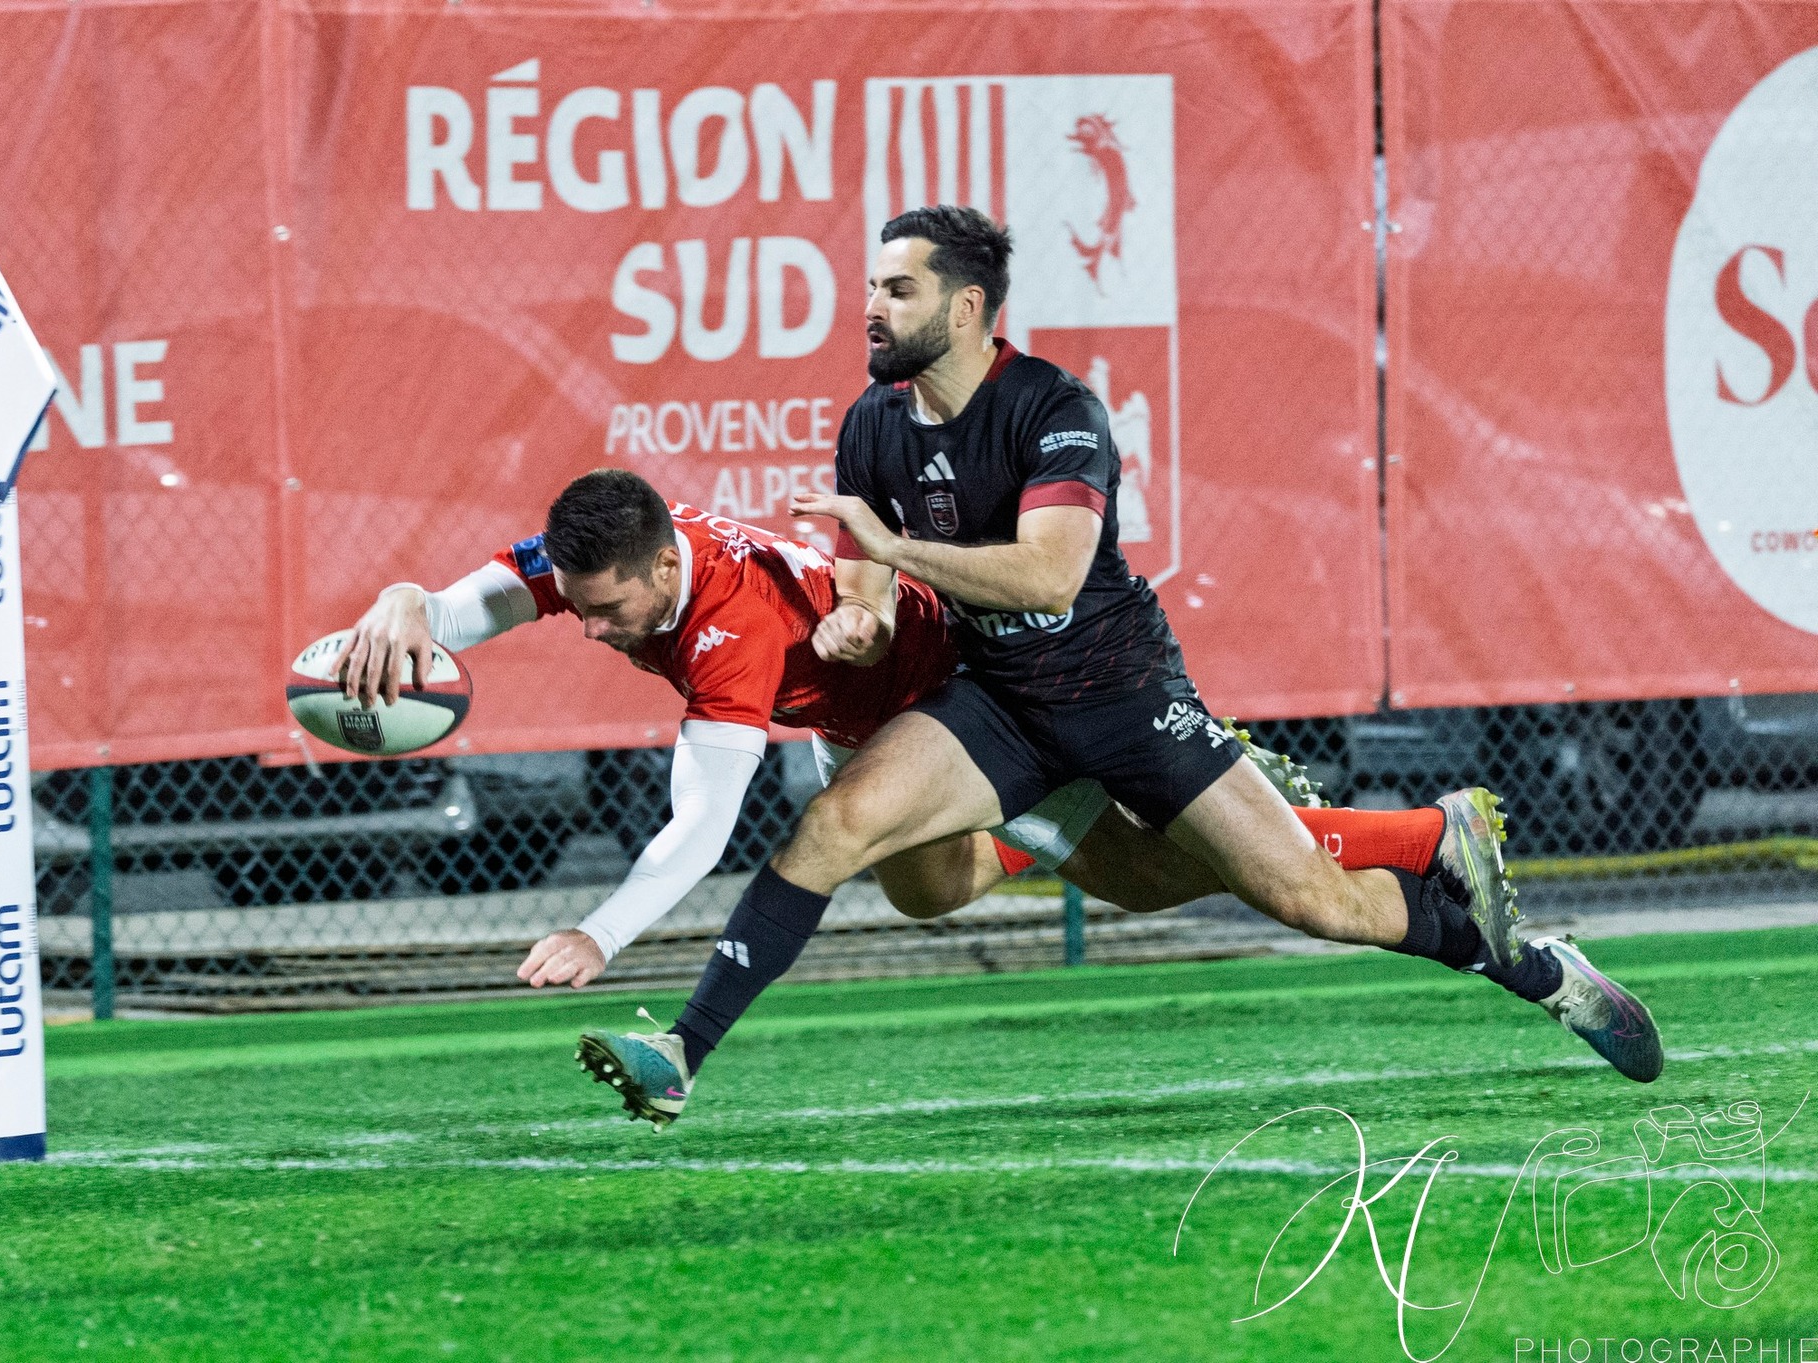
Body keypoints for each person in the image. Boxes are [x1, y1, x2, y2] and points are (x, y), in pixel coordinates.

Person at [576, 206, 1662, 1128]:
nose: (871, 306)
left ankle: (1531, 964)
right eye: (871, 286)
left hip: (1122, 694)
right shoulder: (873, 423)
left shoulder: (1054, 408)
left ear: (966, 307)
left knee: (1308, 900)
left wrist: (893, 549)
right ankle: (679, 1053)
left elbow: (1048, 575)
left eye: (898, 290)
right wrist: (858, 616)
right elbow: (866, 571)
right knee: (836, 827)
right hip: (997, 702)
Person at [334, 472, 1482, 988]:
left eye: (605, 612)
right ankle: (1167, 813)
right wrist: (404, 602)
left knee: (1153, 875)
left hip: (962, 703)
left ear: (661, 572)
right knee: (930, 891)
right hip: (865, 718)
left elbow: (700, 829)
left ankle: (1419, 835)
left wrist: (599, 935)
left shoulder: (729, 633)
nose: (588, 629)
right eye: (577, 606)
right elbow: (477, 602)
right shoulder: (615, 550)